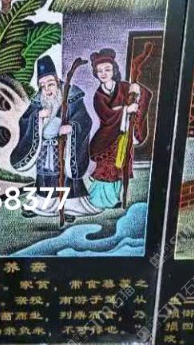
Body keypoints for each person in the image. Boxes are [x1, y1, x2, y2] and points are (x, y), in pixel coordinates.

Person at [11, 55, 101, 222]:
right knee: (45, 177)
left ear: (57, 81)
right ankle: (42, 205)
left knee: (66, 177)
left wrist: (72, 127)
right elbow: (24, 120)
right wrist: (37, 117)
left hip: (64, 148)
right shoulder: (38, 101)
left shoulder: (71, 96)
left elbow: (84, 119)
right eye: (42, 86)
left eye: (50, 84)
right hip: (45, 149)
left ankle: (69, 207)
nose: (47, 89)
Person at [89, 48, 152, 209]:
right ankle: (99, 199)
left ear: (114, 70)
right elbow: (106, 116)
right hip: (107, 136)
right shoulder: (98, 96)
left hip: (123, 134)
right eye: (100, 71)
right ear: (96, 73)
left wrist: (138, 91)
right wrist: (125, 110)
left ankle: (115, 198)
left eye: (107, 69)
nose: (104, 73)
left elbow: (145, 95)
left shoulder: (124, 86)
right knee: (106, 167)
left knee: (119, 165)